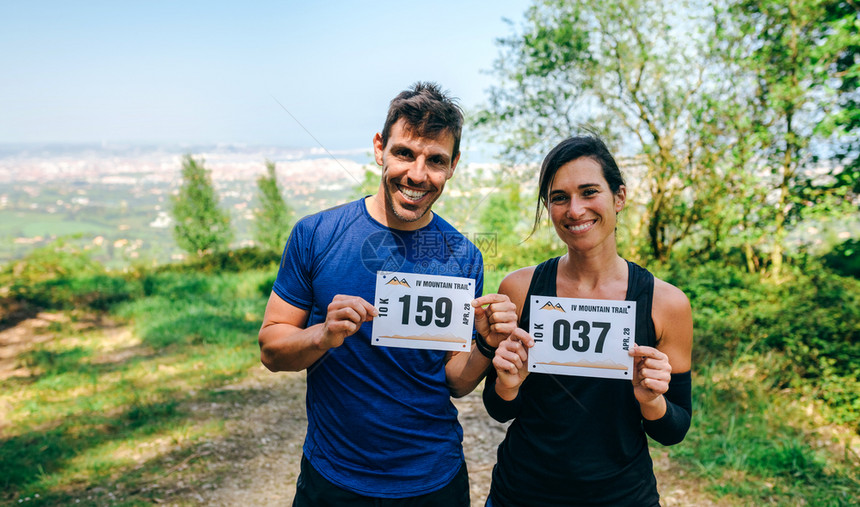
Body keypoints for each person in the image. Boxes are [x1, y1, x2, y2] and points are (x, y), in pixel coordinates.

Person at [258, 82, 518, 506]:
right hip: (333, 478)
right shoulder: (316, 234)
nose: (418, 174)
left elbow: (454, 379)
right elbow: (271, 350)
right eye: (404, 153)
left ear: (453, 166)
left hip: (434, 480)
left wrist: (487, 344)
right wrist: (321, 336)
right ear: (380, 148)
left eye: (435, 160)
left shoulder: (464, 256)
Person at [483, 135, 694, 506]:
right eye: (559, 197)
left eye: (589, 192)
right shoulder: (519, 288)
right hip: (522, 493)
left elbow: (674, 429)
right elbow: (499, 409)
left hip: (623, 496)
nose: (575, 210)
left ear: (620, 197)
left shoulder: (667, 304)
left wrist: (652, 402)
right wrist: (508, 385)